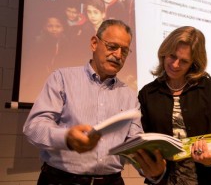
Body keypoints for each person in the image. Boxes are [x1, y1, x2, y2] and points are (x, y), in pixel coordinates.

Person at [23, 19, 166, 185]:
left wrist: (152, 170)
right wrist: (67, 138)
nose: (118, 55)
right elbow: (34, 127)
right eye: (112, 47)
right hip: (61, 180)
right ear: (94, 43)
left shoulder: (129, 96)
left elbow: (134, 144)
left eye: (125, 51)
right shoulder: (62, 79)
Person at [138, 26, 211, 185]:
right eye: (172, 56)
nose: (175, 64)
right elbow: (143, 145)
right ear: (164, 52)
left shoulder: (209, 89)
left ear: (194, 63)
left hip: (206, 179)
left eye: (184, 61)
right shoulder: (147, 93)